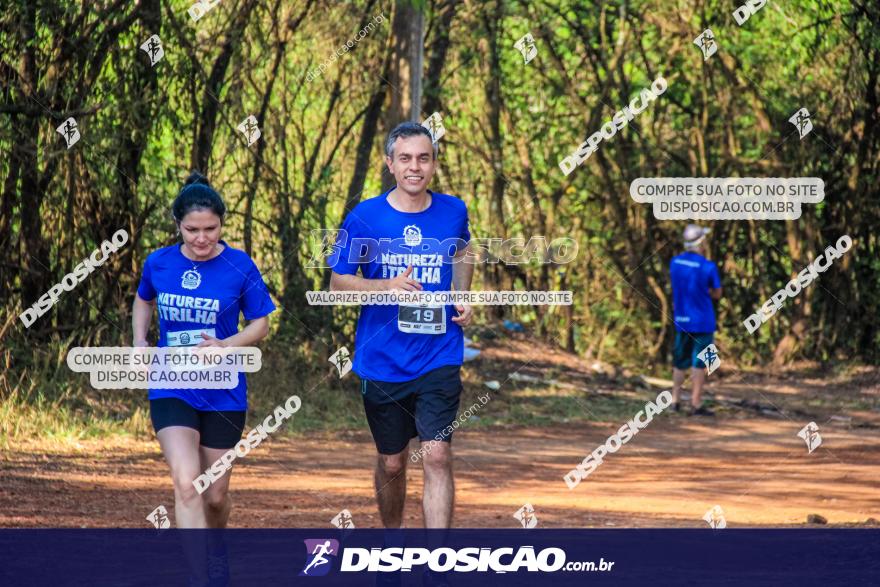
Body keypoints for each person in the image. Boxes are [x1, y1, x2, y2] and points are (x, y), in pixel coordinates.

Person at [329, 122, 474, 535]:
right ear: (389, 163)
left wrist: (461, 295)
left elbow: (464, 251)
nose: (415, 167)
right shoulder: (365, 217)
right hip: (382, 359)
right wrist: (386, 286)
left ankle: (438, 564)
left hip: (439, 353)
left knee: (437, 455)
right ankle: (392, 542)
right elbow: (338, 284)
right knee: (392, 461)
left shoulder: (453, 210)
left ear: (433, 164)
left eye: (424, 158)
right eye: (406, 158)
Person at [132, 172, 275, 584]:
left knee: (214, 496)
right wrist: (141, 340)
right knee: (185, 483)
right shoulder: (159, 262)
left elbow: (260, 324)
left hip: (224, 392)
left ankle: (217, 546)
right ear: (177, 225)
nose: (201, 238)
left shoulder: (239, 265)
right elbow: (143, 300)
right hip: (171, 385)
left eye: (210, 229)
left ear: (221, 225)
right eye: (192, 229)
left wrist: (227, 345)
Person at [670, 224, 722, 416]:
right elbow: (717, 293)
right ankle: (695, 403)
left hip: (681, 320)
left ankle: (675, 401)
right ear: (701, 243)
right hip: (703, 321)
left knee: (679, 361)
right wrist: (706, 291)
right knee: (701, 363)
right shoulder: (708, 266)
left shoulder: (674, 263)